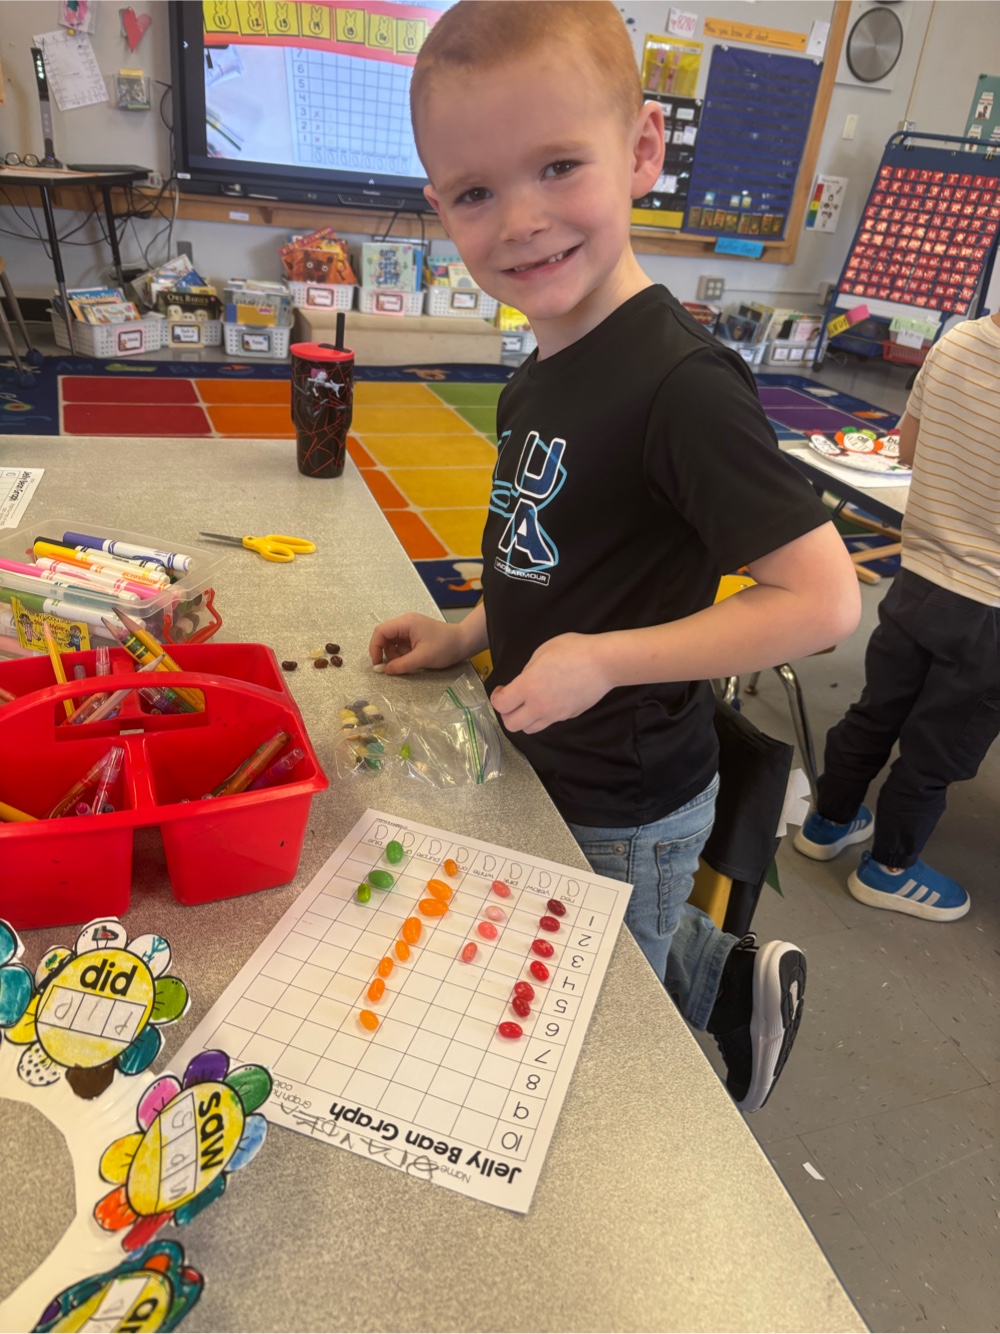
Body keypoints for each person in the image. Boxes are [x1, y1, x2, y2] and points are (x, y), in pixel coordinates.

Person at [370, 1, 860, 1113]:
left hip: (625, 798)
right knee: (585, 946)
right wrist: (466, 631)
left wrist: (602, 660)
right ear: (439, 207)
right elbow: (552, 557)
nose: (522, 221)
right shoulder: (539, 371)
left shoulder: (681, 387)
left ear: (641, 150)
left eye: (558, 166)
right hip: (547, 756)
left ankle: (714, 1006)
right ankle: (724, 967)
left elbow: (823, 599)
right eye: (475, 192)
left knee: (602, 1020)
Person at [795, 313, 1000, 920]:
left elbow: (907, 449)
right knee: (938, 746)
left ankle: (829, 821)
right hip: (989, 608)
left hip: (919, 579)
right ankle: (890, 869)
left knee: (876, 710)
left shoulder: (958, 340)